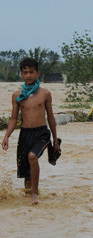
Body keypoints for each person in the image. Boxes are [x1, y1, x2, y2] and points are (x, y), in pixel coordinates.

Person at [2, 58, 60, 205]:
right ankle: (29, 195)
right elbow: (14, 119)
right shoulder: (17, 96)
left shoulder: (45, 94)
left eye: (31, 72)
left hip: (41, 133)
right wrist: (6, 136)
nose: (28, 75)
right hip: (25, 134)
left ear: (37, 73)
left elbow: (51, 118)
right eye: (25, 72)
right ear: (21, 74)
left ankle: (35, 194)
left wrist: (55, 140)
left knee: (32, 156)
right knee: (26, 170)